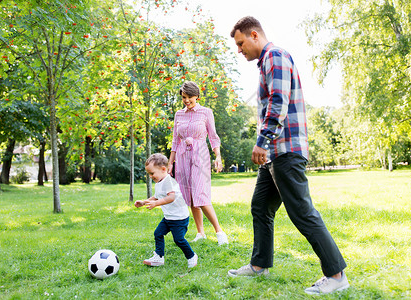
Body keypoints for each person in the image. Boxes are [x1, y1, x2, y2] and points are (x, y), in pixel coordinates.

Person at [227, 16, 350, 295]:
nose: (239, 50)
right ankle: (259, 265)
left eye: (241, 43)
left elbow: (278, 102)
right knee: (261, 206)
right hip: (274, 154)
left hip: (285, 149)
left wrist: (262, 140)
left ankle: (336, 274)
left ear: (254, 35)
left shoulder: (276, 56)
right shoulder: (265, 62)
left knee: (302, 212)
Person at [168, 81, 228, 245]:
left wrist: (218, 157)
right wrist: (171, 163)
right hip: (182, 157)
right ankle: (200, 233)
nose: (186, 101)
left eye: (189, 98)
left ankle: (219, 232)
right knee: (190, 196)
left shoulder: (205, 112)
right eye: (184, 98)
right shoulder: (179, 114)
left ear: (197, 96)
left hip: (200, 154)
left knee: (201, 195)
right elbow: (175, 140)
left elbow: (213, 137)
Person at [134, 153, 198, 268]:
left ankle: (192, 256)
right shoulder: (159, 182)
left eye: (152, 173)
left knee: (178, 240)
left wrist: (156, 204)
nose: (150, 176)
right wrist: (144, 202)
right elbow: (157, 196)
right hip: (169, 217)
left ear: (163, 169)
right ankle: (159, 257)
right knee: (158, 233)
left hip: (179, 218)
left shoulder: (168, 181)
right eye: (149, 174)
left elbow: (171, 197)